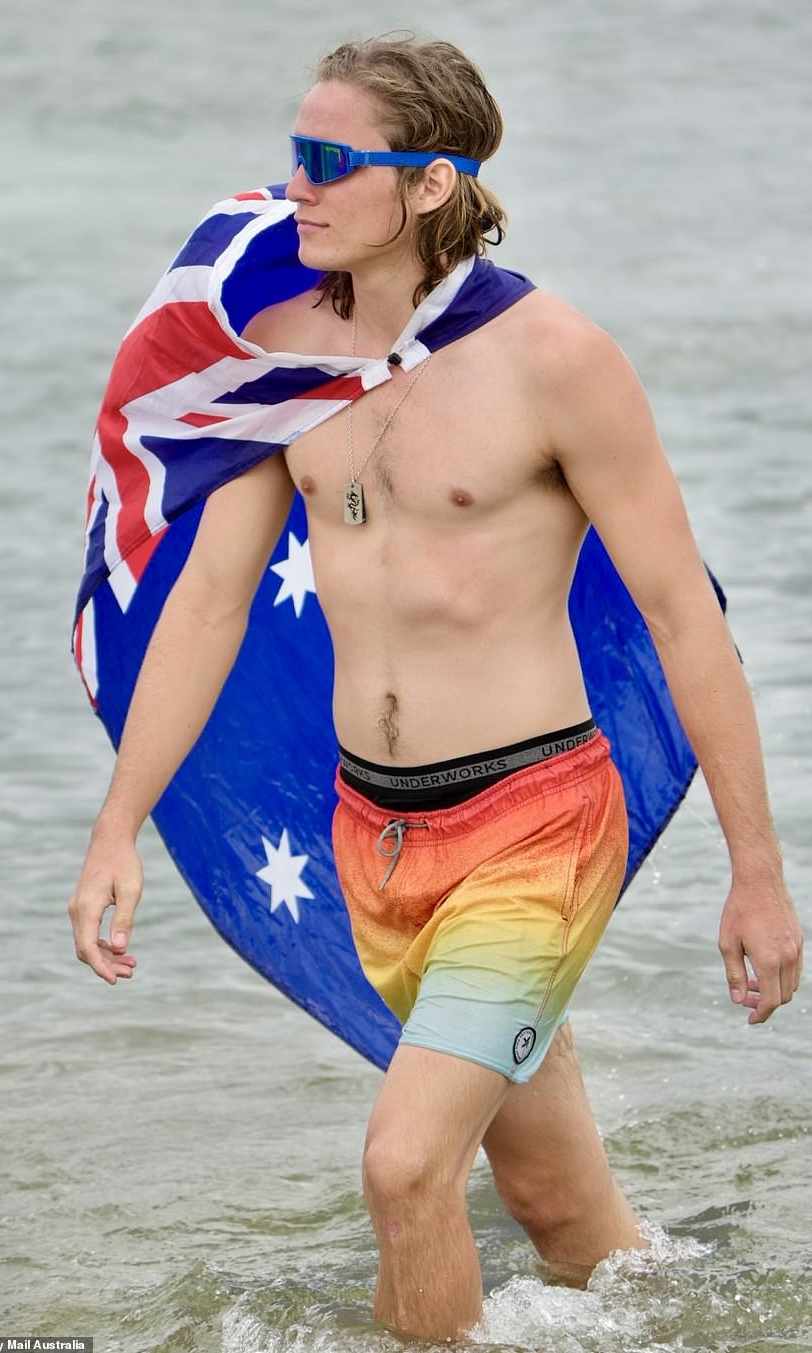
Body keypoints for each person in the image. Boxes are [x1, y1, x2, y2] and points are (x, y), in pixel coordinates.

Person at [68, 35, 802, 1342]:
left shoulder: (552, 360)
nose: (295, 186)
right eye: (294, 153)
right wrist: (117, 825)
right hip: (376, 841)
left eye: (329, 162)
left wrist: (755, 866)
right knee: (557, 1209)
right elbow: (211, 603)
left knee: (405, 1168)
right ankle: (724, 1321)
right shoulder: (286, 369)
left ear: (427, 184)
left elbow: (683, 615)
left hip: (532, 830)